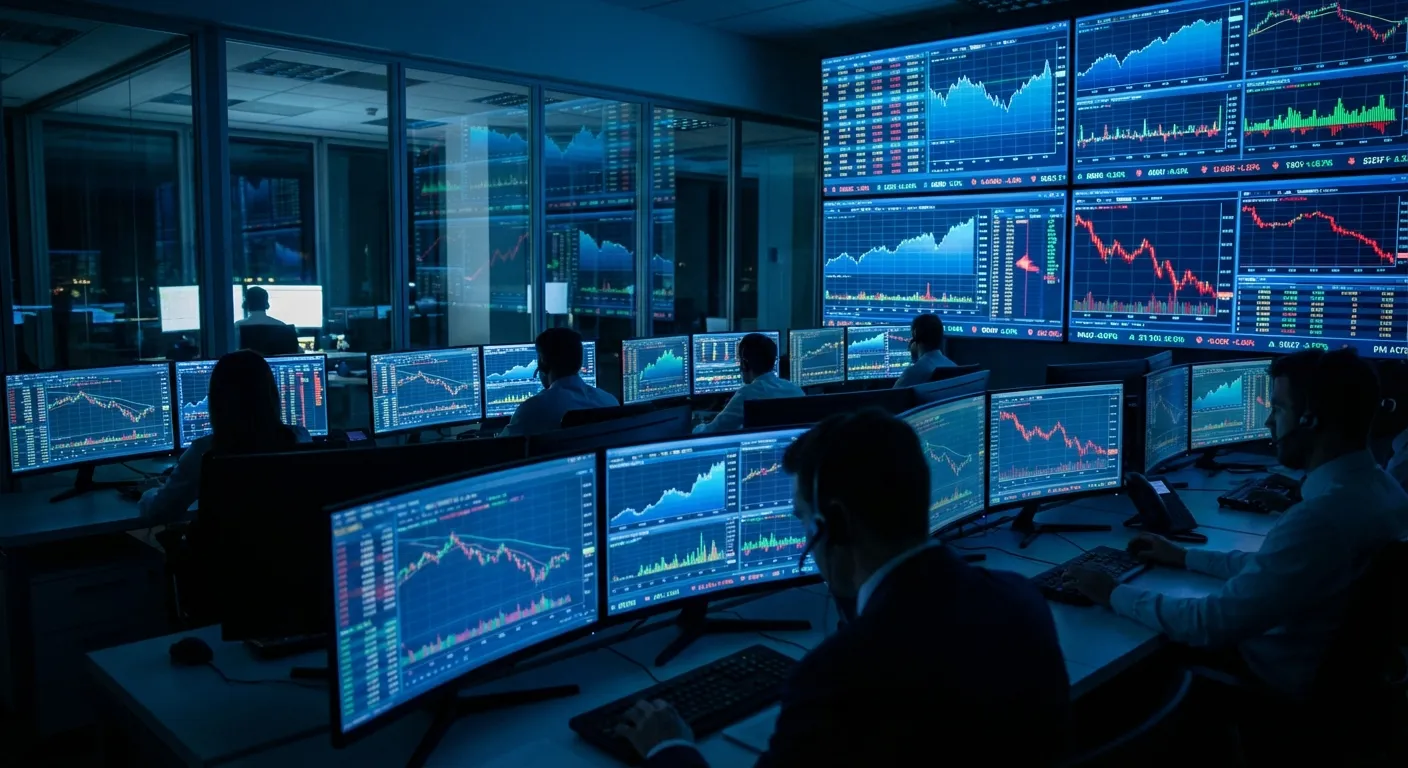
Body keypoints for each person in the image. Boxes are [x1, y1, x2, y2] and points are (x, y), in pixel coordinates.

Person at [616, 409, 1071, 766]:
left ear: (834, 525)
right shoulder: (1021, 598)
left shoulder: (839, 677)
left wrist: (669, 749)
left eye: (802, 521)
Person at [1065, 348, 1408, 697]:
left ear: (1310, 421)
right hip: (1339, 681)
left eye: (1278, 408)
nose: (1268, 423)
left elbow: (1209, 623)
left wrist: (1112, 592)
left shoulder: (1319, 519)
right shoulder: (1382, 489)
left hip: (1264, 683)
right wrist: (1184, 557)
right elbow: (1276, 567)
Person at [139, 350, 309, 524]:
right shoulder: (299, 438)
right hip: (286, 547)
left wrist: (149, 493)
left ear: (218, 401)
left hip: (223, 549)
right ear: (272, 394)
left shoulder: (204, 452)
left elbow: (160, 511)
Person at [500, 327, 617, 437]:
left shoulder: (532, 410)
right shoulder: (609, 401)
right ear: (580, 363)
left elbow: (499, 447)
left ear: (543, 362)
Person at [693, 333, 803, 435]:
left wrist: (696, 426)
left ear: (744, 364)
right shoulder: (796, 390)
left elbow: (712, 431)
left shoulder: (747, 394)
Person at [893, 313, 955, 388]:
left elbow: (892, 398)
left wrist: (915, 359)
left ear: (915, 335)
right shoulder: (953, 367)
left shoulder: (913, 373)